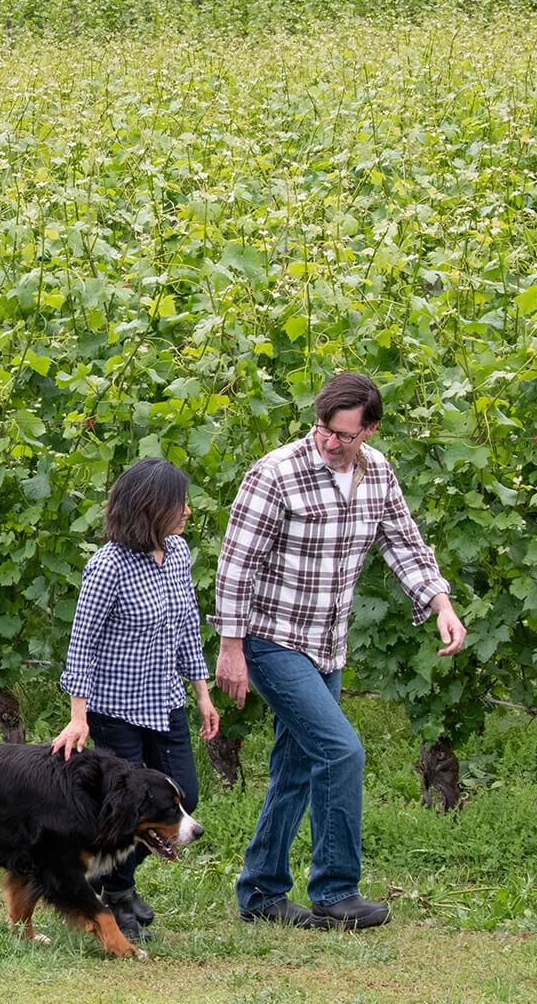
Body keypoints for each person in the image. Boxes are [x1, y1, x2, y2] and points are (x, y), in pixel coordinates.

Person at [214, 372, 468, 931]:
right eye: (324, 431)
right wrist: (231, 648)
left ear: (370, 430)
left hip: (327, 645)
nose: (330, 443)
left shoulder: (377, 473)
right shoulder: (276, 473)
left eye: (345, 436)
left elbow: (405, 542)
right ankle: (334, 891)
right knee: (341, 751)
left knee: (295, 769)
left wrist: (442, 604)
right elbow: (236, 564)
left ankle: (260, 893)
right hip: (272, 639)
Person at [51, 457, 219, 941]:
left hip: (166, 703)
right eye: (178, 503)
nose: (187, 510)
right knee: (123, 810)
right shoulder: (108, 566)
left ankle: (115, 883)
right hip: (116, 710)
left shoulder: (179, 553)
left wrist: (201, 693)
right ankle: (117, 895)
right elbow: (82, 642)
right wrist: (78, 716)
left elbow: (187, 625)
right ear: (151, 507)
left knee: (184, 790)